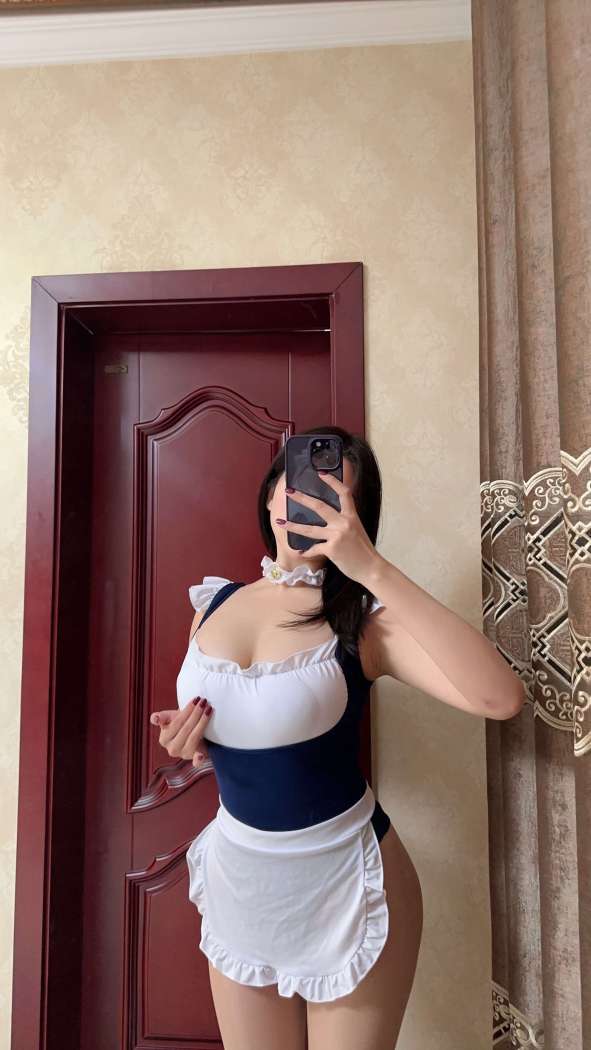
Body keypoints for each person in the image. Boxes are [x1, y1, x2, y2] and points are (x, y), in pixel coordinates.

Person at [150, 425, 524, 1050]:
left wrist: (371, 567)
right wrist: (188, 744)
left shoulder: (363, 622)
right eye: (295, 481)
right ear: (272, 494)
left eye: (332, 491)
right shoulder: (212, 605)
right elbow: (231, 730)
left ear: (356, 516)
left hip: (348, 882)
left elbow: (500, 697)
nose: (305, 498)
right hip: (241, 879)